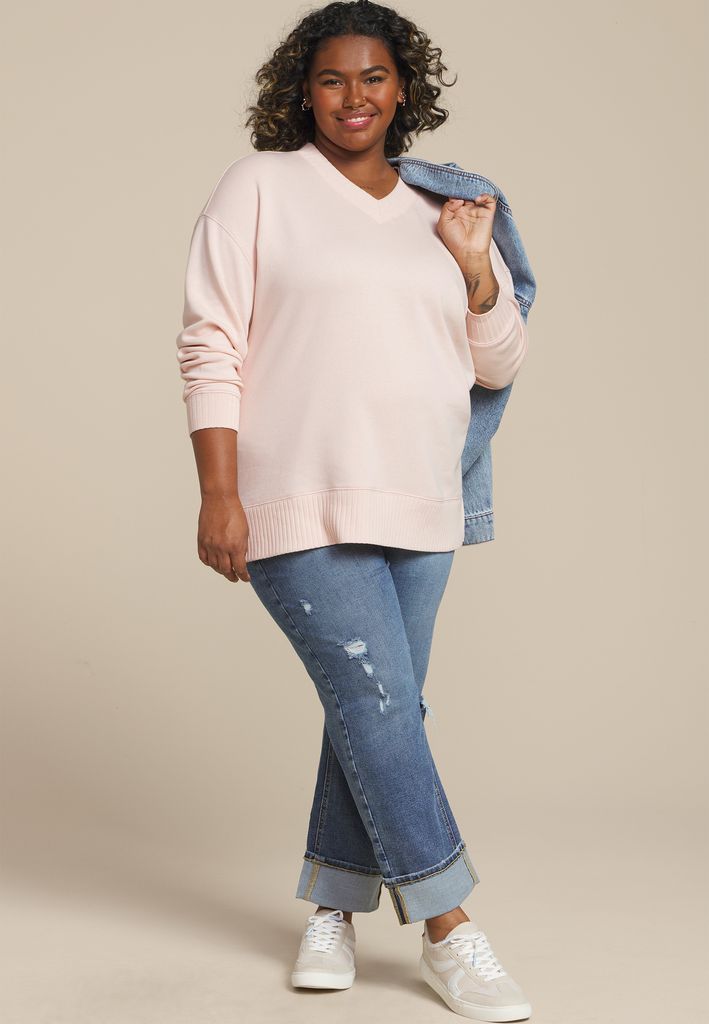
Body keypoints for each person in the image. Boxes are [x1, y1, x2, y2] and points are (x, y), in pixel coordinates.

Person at [175, 1, 532, 1019]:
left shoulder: (446, 209)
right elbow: (210, 340)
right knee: (376, 704)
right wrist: (218, 491)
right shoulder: (259, 187)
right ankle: (448, 929)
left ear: (402, 87)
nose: (353, 97)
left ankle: (333, 904)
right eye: (331, 79)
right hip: (294, 496)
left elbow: (499, 363)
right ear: (303, 91)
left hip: (421, 499)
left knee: (379, 713)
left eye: (373, 76)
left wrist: (475, 268)